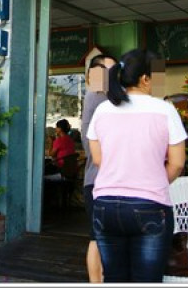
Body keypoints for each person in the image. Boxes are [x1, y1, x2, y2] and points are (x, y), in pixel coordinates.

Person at [86, 48, 187, 282]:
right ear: (145, 79)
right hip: (149, 206)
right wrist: (153, 179)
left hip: (105, 206)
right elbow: (177, 163)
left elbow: (99, 159)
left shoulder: (103, 110)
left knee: (114, 279)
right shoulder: (165, 110)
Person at [81, 53, 117, 283]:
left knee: (102, 237)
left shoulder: (104, 97)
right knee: (97, 238)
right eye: (109, 70)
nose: (115, 74)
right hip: (98, 180)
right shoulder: (97, 95)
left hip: (101, 179)